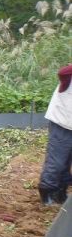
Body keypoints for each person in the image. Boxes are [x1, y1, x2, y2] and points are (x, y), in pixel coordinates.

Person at [38, 64, 72, 205]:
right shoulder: (67, 77)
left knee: (67, 160)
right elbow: (63, 71)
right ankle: (47, 190)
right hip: (62, 122)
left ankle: (61, 191)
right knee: (57, 161)